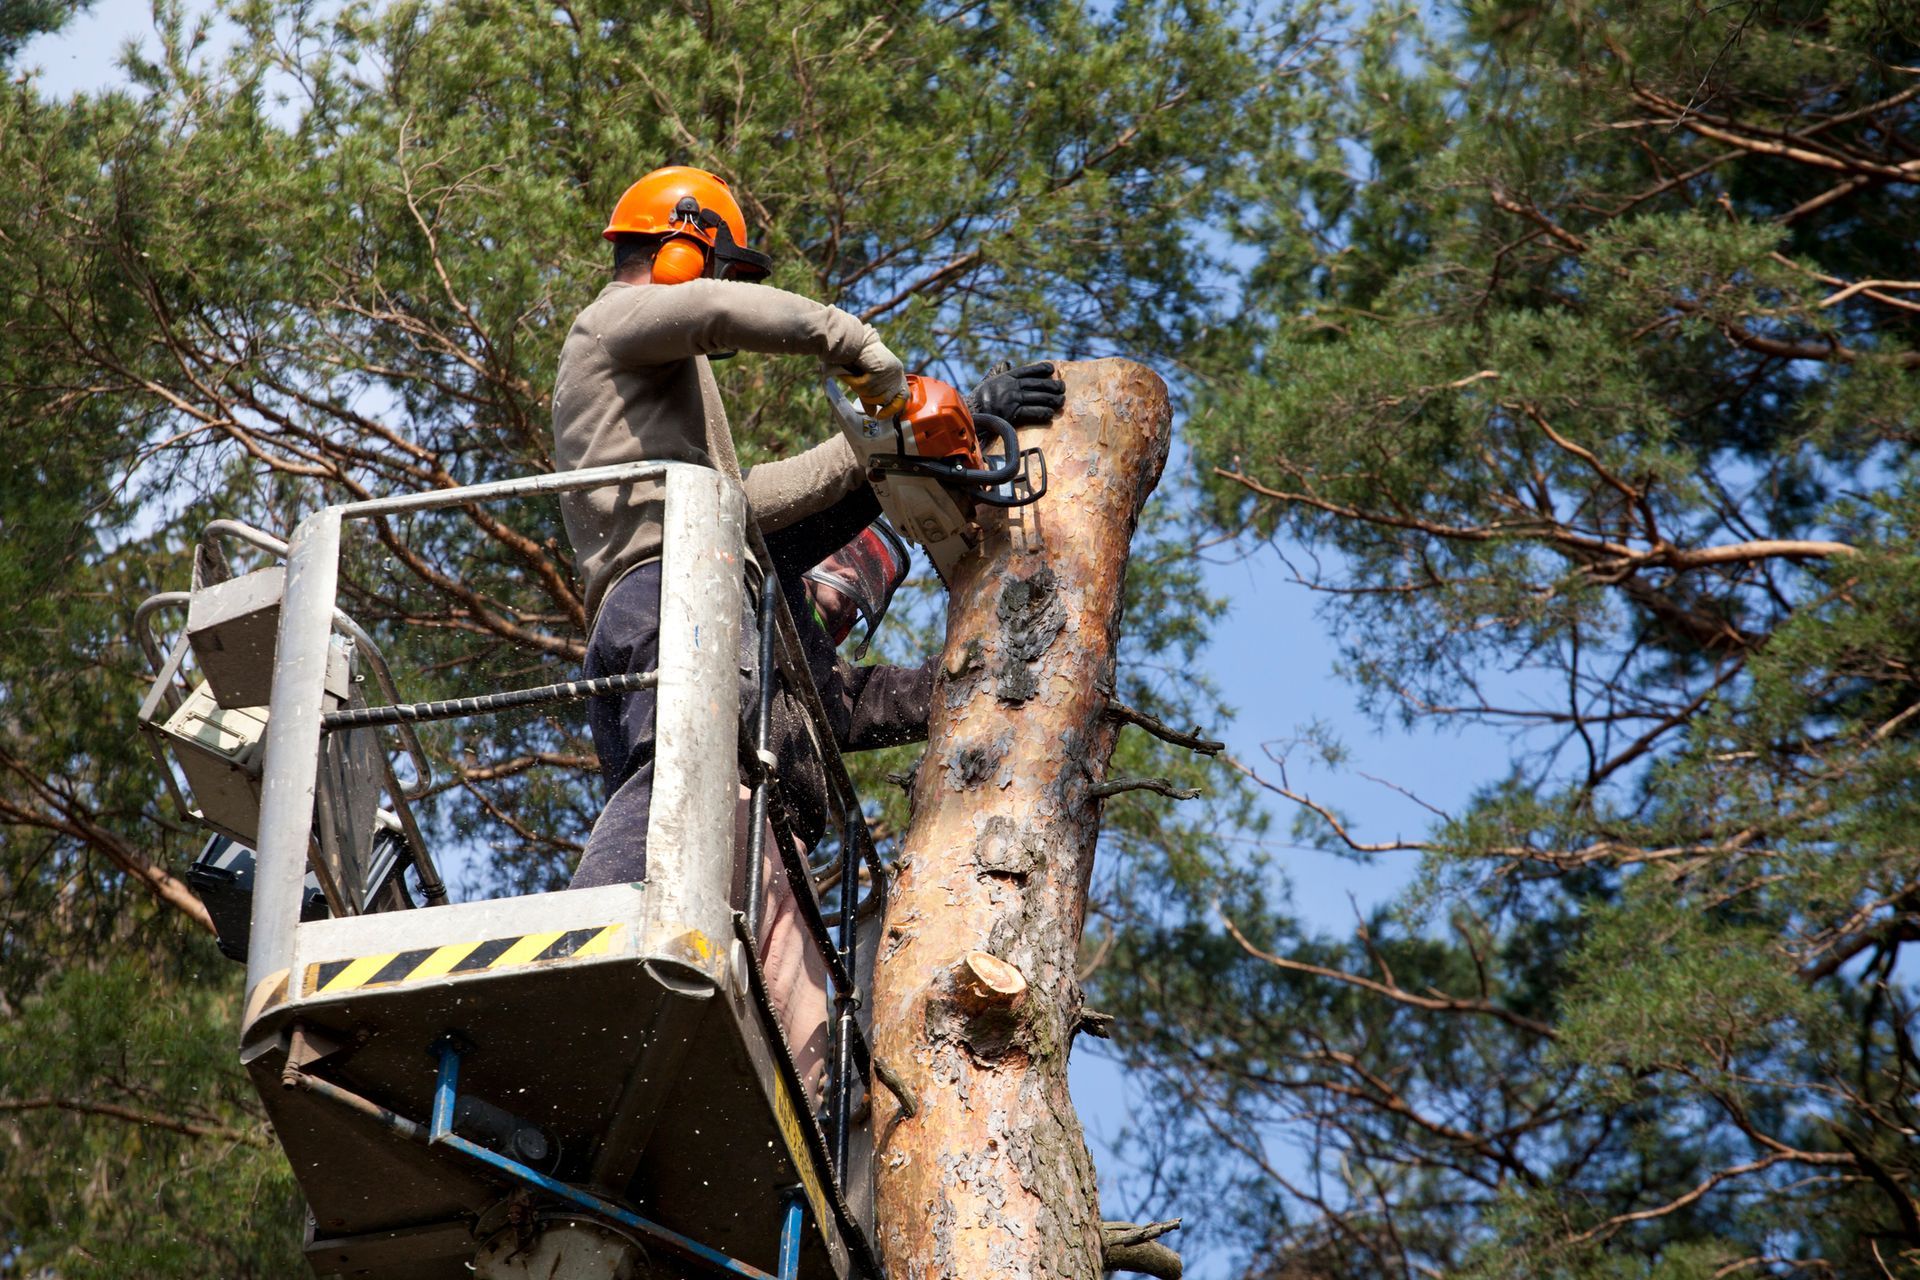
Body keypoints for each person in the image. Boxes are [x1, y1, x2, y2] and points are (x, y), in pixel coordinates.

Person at [550, 164, 1062, 1087]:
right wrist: (863, 355)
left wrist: (974, 677)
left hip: (762, 823)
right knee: (681, 770)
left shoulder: (773, 621)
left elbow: (843, 690)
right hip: (666, 601)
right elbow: (719, 342)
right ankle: (595, 959)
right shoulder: (609, 326)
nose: (842, 598)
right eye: (722, 271)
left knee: (804, 1027)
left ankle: (806, 1130)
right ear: (681, 244)